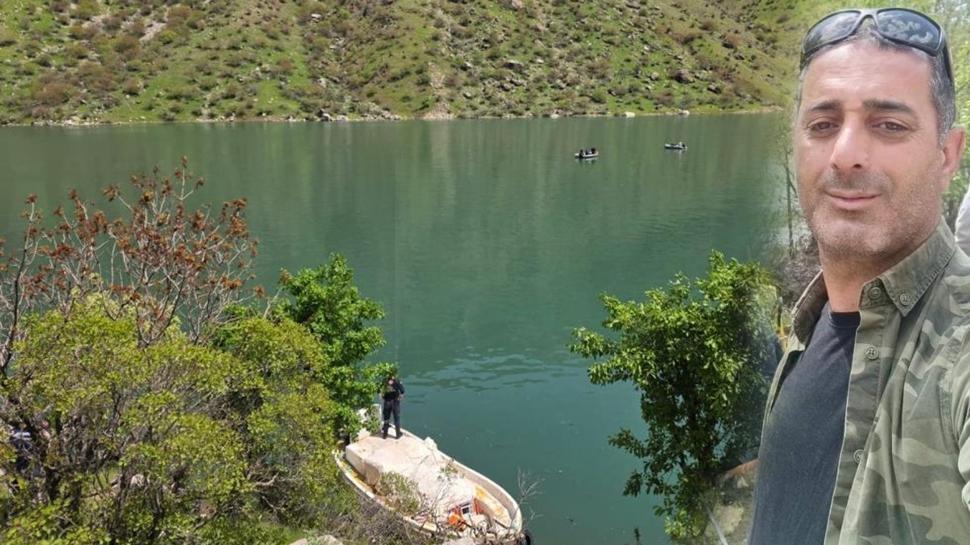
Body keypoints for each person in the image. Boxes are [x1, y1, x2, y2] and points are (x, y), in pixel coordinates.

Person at [750, 8, 969, 545]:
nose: (845, 154)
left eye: (889, 125)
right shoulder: (816, 316)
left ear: (948, 154)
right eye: (822, 125)